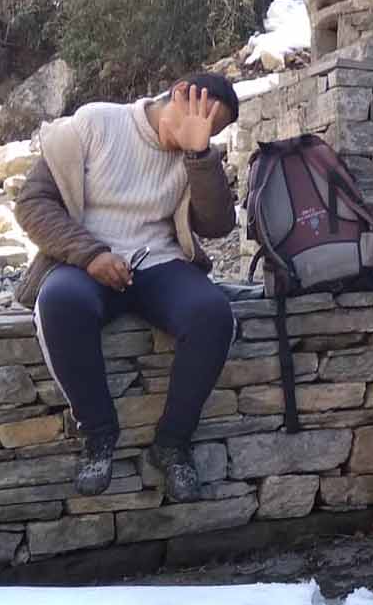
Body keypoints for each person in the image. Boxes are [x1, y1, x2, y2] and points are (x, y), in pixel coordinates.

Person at [15, 74, 241, 503]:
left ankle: (172, 443)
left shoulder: (198, 155)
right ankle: (99, 435)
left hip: (160, 262)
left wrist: (199, 154)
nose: (206, 131)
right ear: (179, 94)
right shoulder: (97, 123)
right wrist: (90, 253)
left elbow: (217, 225)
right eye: (204, 118)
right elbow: (33, 204)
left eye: (215, 128)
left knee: (212, 314)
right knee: (60, 302)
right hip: (85, 259)